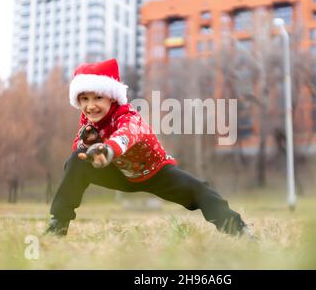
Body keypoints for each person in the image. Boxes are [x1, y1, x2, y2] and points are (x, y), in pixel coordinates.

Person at [45, 58, 255, 239]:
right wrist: (90, 154)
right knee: (76, 160)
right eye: (84, 99)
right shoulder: (88, 122)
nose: (90, 106)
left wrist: (106, 151)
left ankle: (237, 228)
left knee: (199, 190)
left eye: (97, 97)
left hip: (154, 172)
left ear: (111, 97)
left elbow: (126, 136)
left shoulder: (128, 118)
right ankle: (58, 225)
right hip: (118, 174)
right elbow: (79, 147)